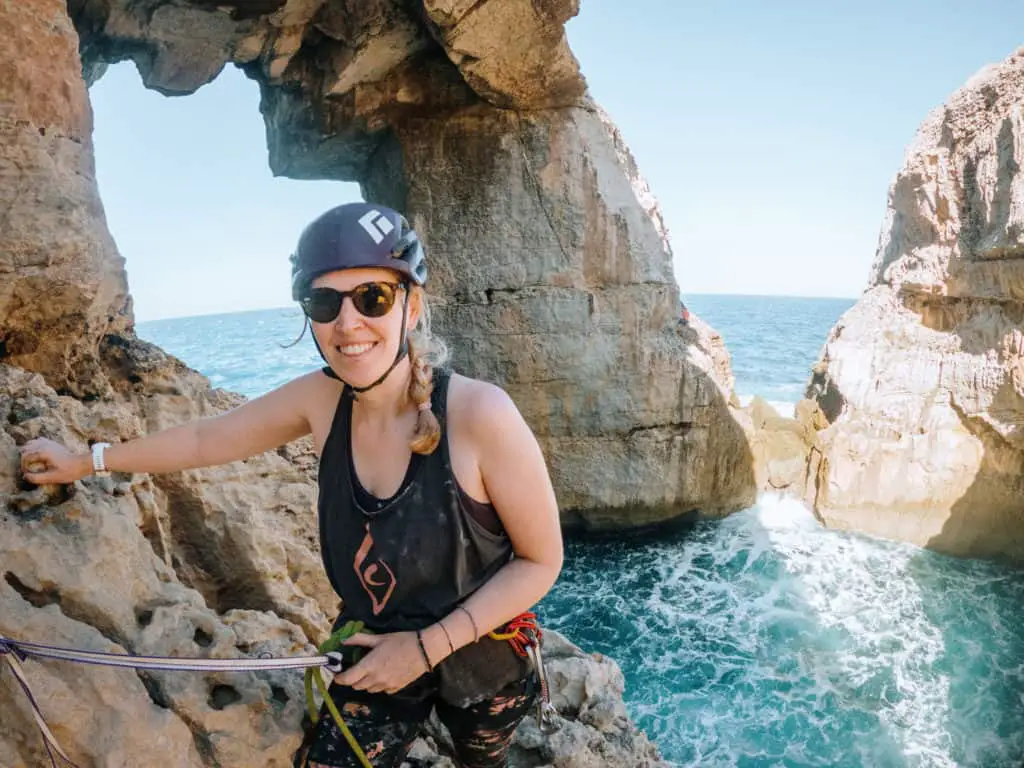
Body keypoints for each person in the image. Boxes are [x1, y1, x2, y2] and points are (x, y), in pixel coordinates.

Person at [19, 202, 565, 768]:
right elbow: (207, 441)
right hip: (372, 644)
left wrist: (427, 648)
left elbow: (541, 561)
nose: (347, 324)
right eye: (324, 303)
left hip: (483, 653)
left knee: (484, 761)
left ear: (412, 305)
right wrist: (87, 460)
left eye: (372, 298)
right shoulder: (321, 401)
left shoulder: (480, 414)